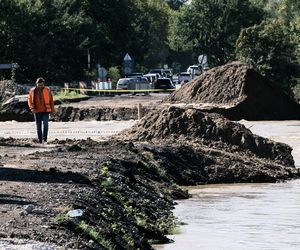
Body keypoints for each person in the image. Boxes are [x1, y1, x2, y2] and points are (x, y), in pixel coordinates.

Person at [28, 77, 55, 143]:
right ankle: (40, 140)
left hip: (45, 111)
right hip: (36, 111)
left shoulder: (47, 90)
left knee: (45, 124)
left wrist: (52, 110)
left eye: (41, 85)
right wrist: (32, 108)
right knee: (38, 126)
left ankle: (44, 139)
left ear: (43, 84)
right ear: (36, 84)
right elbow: (29, 100)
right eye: (39, 85)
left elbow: (51, 100)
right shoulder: (32, 91)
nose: (40, 86)